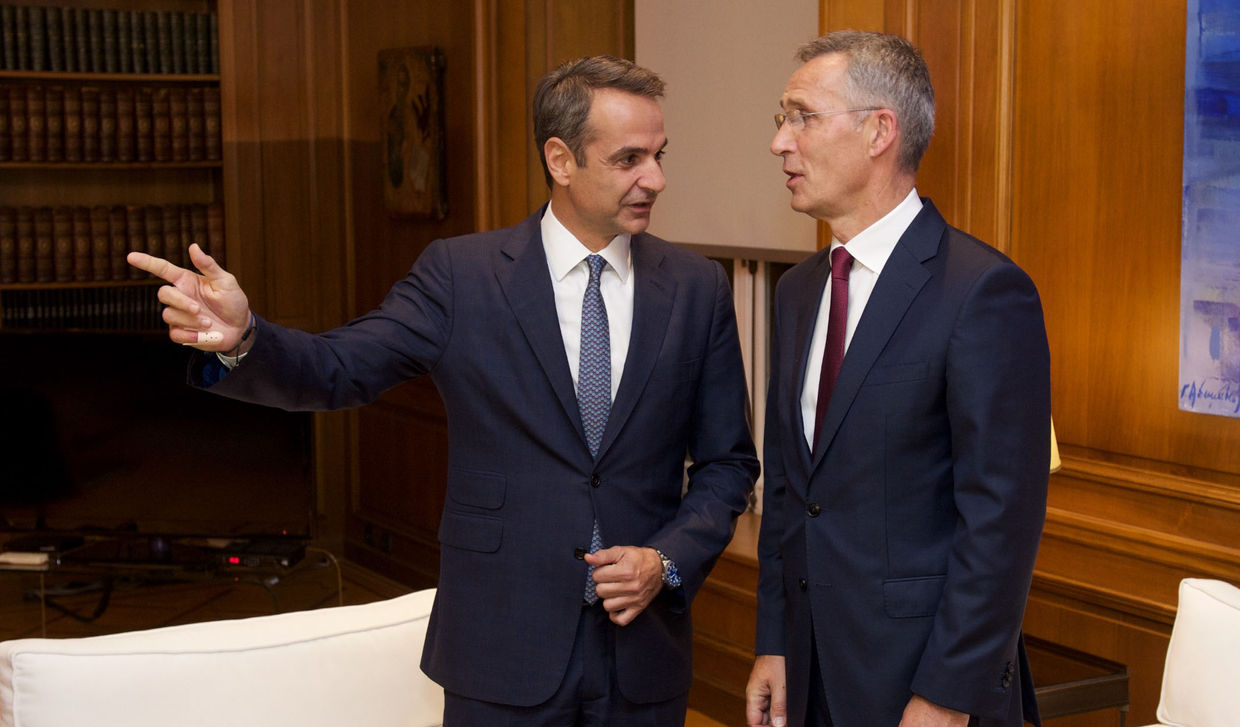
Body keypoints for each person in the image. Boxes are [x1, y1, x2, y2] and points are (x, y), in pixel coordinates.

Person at [128, 55, 758, 727]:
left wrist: (665, 560)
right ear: (560, 159)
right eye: (629, 159)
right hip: (501, 644)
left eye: (659, 155)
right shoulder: (462, 276)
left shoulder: (696, 288)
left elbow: (727, 465)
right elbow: (339, 367)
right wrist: (245, 337)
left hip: (643, 656)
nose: (655, 179)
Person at [746, 30, 1050, 727]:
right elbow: (790, 491)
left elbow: (1000, 522)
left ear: (880, 131)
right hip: (811, 673)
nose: (780, 143)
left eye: (802, 117)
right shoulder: (797, 291)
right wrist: (775, 640)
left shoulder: (983, 292)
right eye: (781, 119)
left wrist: (948, 694)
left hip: (924, 684)